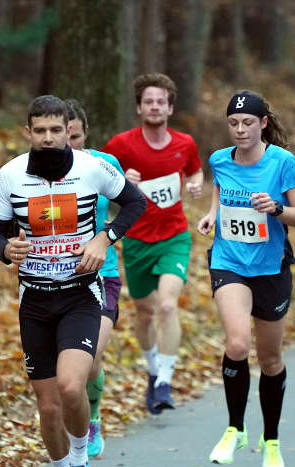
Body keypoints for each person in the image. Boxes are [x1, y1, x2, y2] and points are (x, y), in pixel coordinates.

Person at [0, 95, 146, 467]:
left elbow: (136, 203)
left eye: (57, 130)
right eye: (41, 131)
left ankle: (80, 466)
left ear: (68, 129)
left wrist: (103, 239)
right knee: (48, 405)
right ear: (29, 132)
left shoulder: (93, 167)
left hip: (79, 294)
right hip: (34, 298)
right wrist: (6, 248)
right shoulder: (11, 174)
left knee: (73, 388)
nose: (50, 138)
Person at [197, 91, 295, 467]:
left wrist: (276, 209)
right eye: (233, 123)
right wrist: (212, 214)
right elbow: (220, 192)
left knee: (270, 358)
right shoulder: (219, 160)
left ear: (263, 123)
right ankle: (235, 428)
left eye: (248, 122)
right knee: (236, 343)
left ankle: (272, 442)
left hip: (271, 268)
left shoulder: (283, 163)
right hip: (230, 262)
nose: (240, 130)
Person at [101, 74, 204, 414]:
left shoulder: (184, 143)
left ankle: (165, 382)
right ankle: (151, 369)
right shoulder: (121, 145)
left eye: (161, 101)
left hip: (174, 235)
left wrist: (193, 185)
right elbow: (99, 181)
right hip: (136, 240)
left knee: (168, 305)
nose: (155, 106)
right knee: (144, 312)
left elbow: (194, 171)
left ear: (170, 107)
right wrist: (121, 180)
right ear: (139, 107)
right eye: (149, 101)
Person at [65, 98, 125, 459]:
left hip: (103, 272)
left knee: (92, 355)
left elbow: (132, 205)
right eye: (62, 136)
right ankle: (76, 426)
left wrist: (110, 233)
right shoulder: (37, 171)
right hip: (60, 277)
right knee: (73, 366)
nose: (68, 144)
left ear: (85, 135)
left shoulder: (105, 164)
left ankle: (94, 418)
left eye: (75, 136)